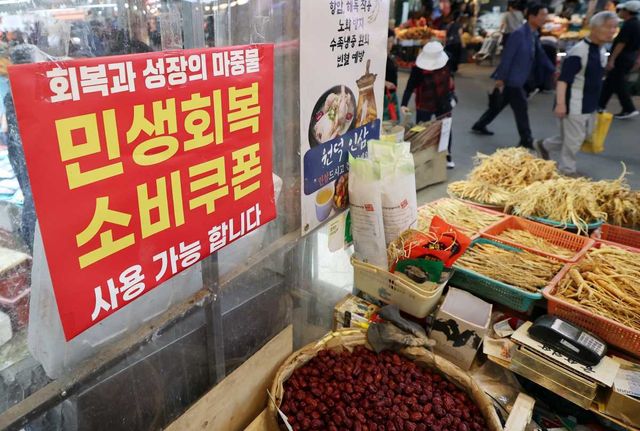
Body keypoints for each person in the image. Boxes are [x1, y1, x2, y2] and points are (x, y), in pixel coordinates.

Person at [534, 11, 619, 176]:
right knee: (574, 139)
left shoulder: (601, 50)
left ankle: (544, 145)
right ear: (594, 28)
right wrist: (560, 104)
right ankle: (567, 170)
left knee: (578, 136)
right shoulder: (578, 52)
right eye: (608, 27)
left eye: (614, 27)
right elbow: (563, 80)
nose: (612, 31)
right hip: (574, 103)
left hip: (590, 102)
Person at [471, 3, 555, 148]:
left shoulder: (534, 34)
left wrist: (553, 70)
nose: (544, 18)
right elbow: (507, 57)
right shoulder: (519, 34)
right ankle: (526, 139)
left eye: (545, 15)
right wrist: (501, 78)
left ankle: (480, 124)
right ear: (532, 16)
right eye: (542, 15)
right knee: (521, 107)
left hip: (521, 77)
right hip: (513, 78)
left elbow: (540, 55)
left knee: (499, 104)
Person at [400, 41, 456, 168]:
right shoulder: (418, 69)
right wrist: (404, 103)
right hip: (424, 102)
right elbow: (410, 86)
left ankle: (447, 155)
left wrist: (452, 94)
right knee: (422, 129)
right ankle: (421, 155)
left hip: (444, 101)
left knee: (445, 128)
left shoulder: (448, 60)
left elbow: (450, 78)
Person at [598, 0, 640, 119]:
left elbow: (621, 44)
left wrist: (612, 59)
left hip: (622, 58)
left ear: (627, 11)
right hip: (630, 57)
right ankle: (600, 105)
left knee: (619, 83)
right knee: (610, 82)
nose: (619, 12)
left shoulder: (629, 25)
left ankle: (629, 108)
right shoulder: (636, 24)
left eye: (621, 10)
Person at [384, 29, 400, 121]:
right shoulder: (379, 57)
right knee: (387, 120)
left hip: (392, 94)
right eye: (389, 41)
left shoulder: (390, 55)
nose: (391, 44)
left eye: (392, 41)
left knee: (393, 118)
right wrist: (385, 83)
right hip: (384, 95)